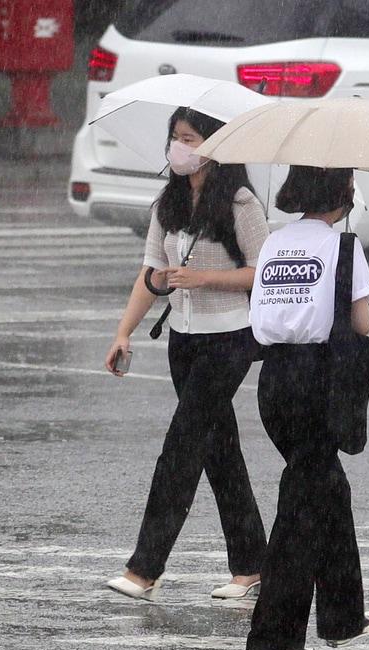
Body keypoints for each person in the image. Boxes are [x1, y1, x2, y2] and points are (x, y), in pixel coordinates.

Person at [104, 107, 270, 602]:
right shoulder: (168, 203)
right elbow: (150, 272)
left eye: (190, 137)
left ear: (215, 146)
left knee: (181, 446)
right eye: (175, 137)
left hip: (230, 338)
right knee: (220, 451)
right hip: (183, 337)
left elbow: (264, 271)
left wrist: (206, 279)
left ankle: (144, 568)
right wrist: (123, 332)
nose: (179, 147)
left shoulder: (241, 204)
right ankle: (251, 564)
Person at [244, 166, 369, 650]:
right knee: (305, 499)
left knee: (326, 487)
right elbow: (361, 322)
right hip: (319, 382)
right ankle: (274, 636)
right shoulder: (344, 248)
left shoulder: (275, 244)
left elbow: (260, 311)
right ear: (343, 194)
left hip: (274, 380)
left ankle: (344, 620)